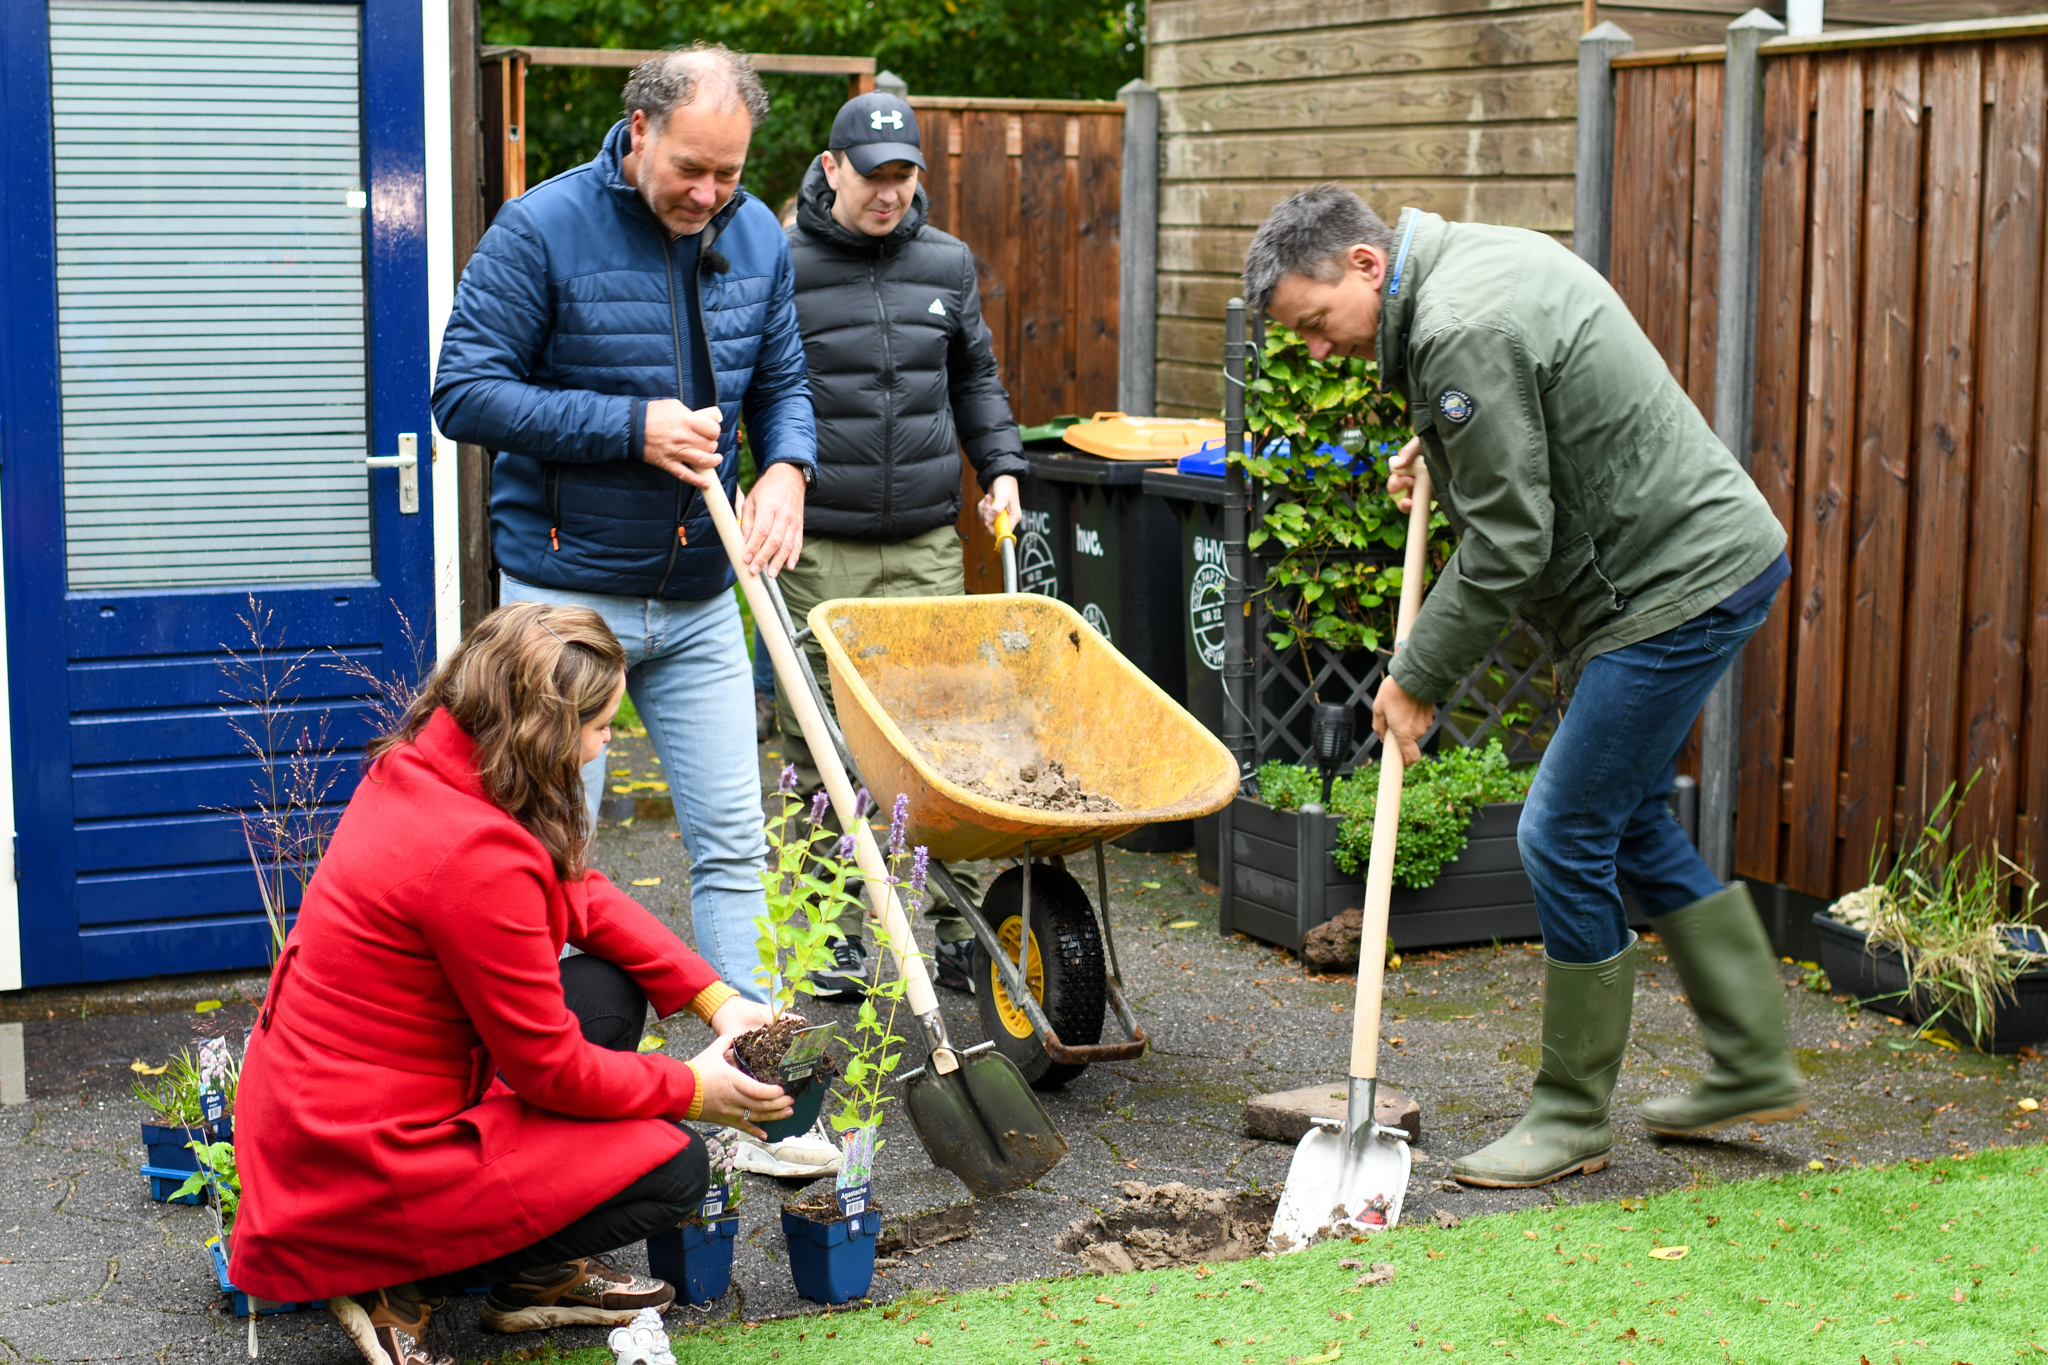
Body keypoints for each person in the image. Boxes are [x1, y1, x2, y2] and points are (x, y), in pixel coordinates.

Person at [1243, 184, 1804, 1189]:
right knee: (1628, 819)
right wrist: (1448, 451)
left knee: (1560, 831)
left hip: (1670, 587)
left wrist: (1416, 677)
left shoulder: (1458, 322)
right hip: (1691, 562)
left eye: (1316, 322)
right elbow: (1540, 407)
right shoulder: (1465, 267)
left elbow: (1510, 539)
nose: (1318, 350)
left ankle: (1570, 1116)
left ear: (1365, 265)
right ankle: (1753, 1061)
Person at [433, 46, 841, 1178]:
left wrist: (788, 467)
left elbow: (783, 383)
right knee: (546, 863)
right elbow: (463, 391)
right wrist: (629, 427)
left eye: (729, 174)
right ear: (641, 129)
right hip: (568, 603)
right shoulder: (540, 229)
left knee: (735, 847)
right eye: (691, 170)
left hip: (704, 597)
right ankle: (540, 1114)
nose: (709, 194)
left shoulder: (757, 239)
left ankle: (762, 1107)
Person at [229, 603, 792, 1365]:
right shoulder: (474, 854)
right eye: (601, 726)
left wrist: (715, 1000)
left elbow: (577, 893)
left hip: (327, 1108)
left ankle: (533, 1276)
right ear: (546, 731)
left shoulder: (431, 765)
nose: (607, 742)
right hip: (359, 1161)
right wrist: (693, 1088)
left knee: (605, 991)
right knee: (673, 1166)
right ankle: (387, 1276)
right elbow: (549, 1069)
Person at [779, 91, 1028, 996]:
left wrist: (1001, 466)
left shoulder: (946, 262)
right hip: (820, 544)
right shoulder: (781, 261)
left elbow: (976, 377)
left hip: (925, 538)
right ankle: (830, 933)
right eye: (873, 176)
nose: (890, 194)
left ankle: (956, 928)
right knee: (824, 739)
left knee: (939, 732)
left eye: (904, 176)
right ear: (831, 168)